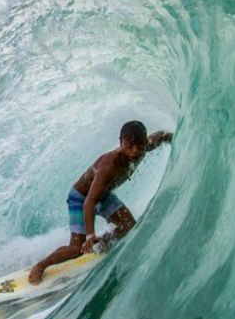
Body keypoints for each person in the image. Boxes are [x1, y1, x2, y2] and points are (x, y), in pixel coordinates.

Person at [28, 120, 172, 285]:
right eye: (129, 146)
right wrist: (90, 235)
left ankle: (102, 243)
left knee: (128, 226)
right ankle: (40, 266)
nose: (134, 151)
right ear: (121, 142)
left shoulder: (145, 147)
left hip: (103, 195)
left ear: (145, 142)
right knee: (76, 248)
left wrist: (170, 136)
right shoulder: (109, 165)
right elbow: (89, 202)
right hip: (81, 198)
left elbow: (160, 136)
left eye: (140, 146)